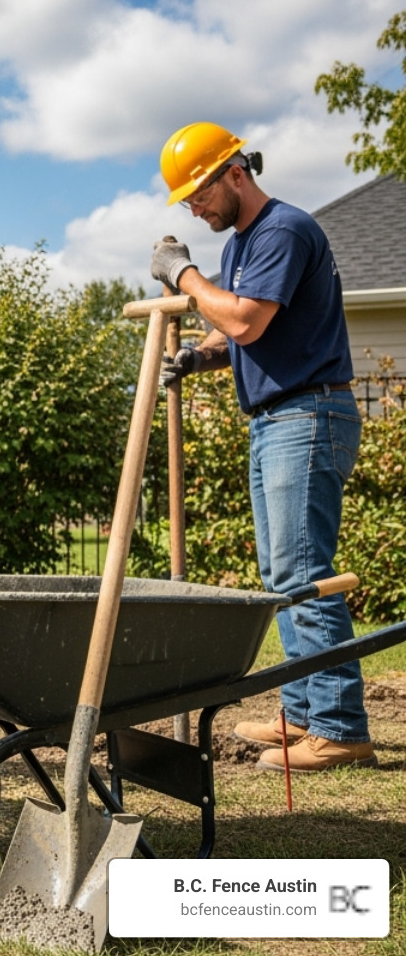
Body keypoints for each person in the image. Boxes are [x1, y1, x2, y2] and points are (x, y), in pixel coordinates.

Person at [153, 121, 373, 773]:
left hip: (307, 414)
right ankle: (304, 716)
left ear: (235, 174)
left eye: (198, 193)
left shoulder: (281, 230)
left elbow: (245, 319)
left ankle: (338, 728)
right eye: (187, 200)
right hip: (280, 419)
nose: (195, 207)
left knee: (304, 572)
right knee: (285, 577)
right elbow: (245, 330)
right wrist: (196, 356)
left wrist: (184, 274)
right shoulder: (248, 244)